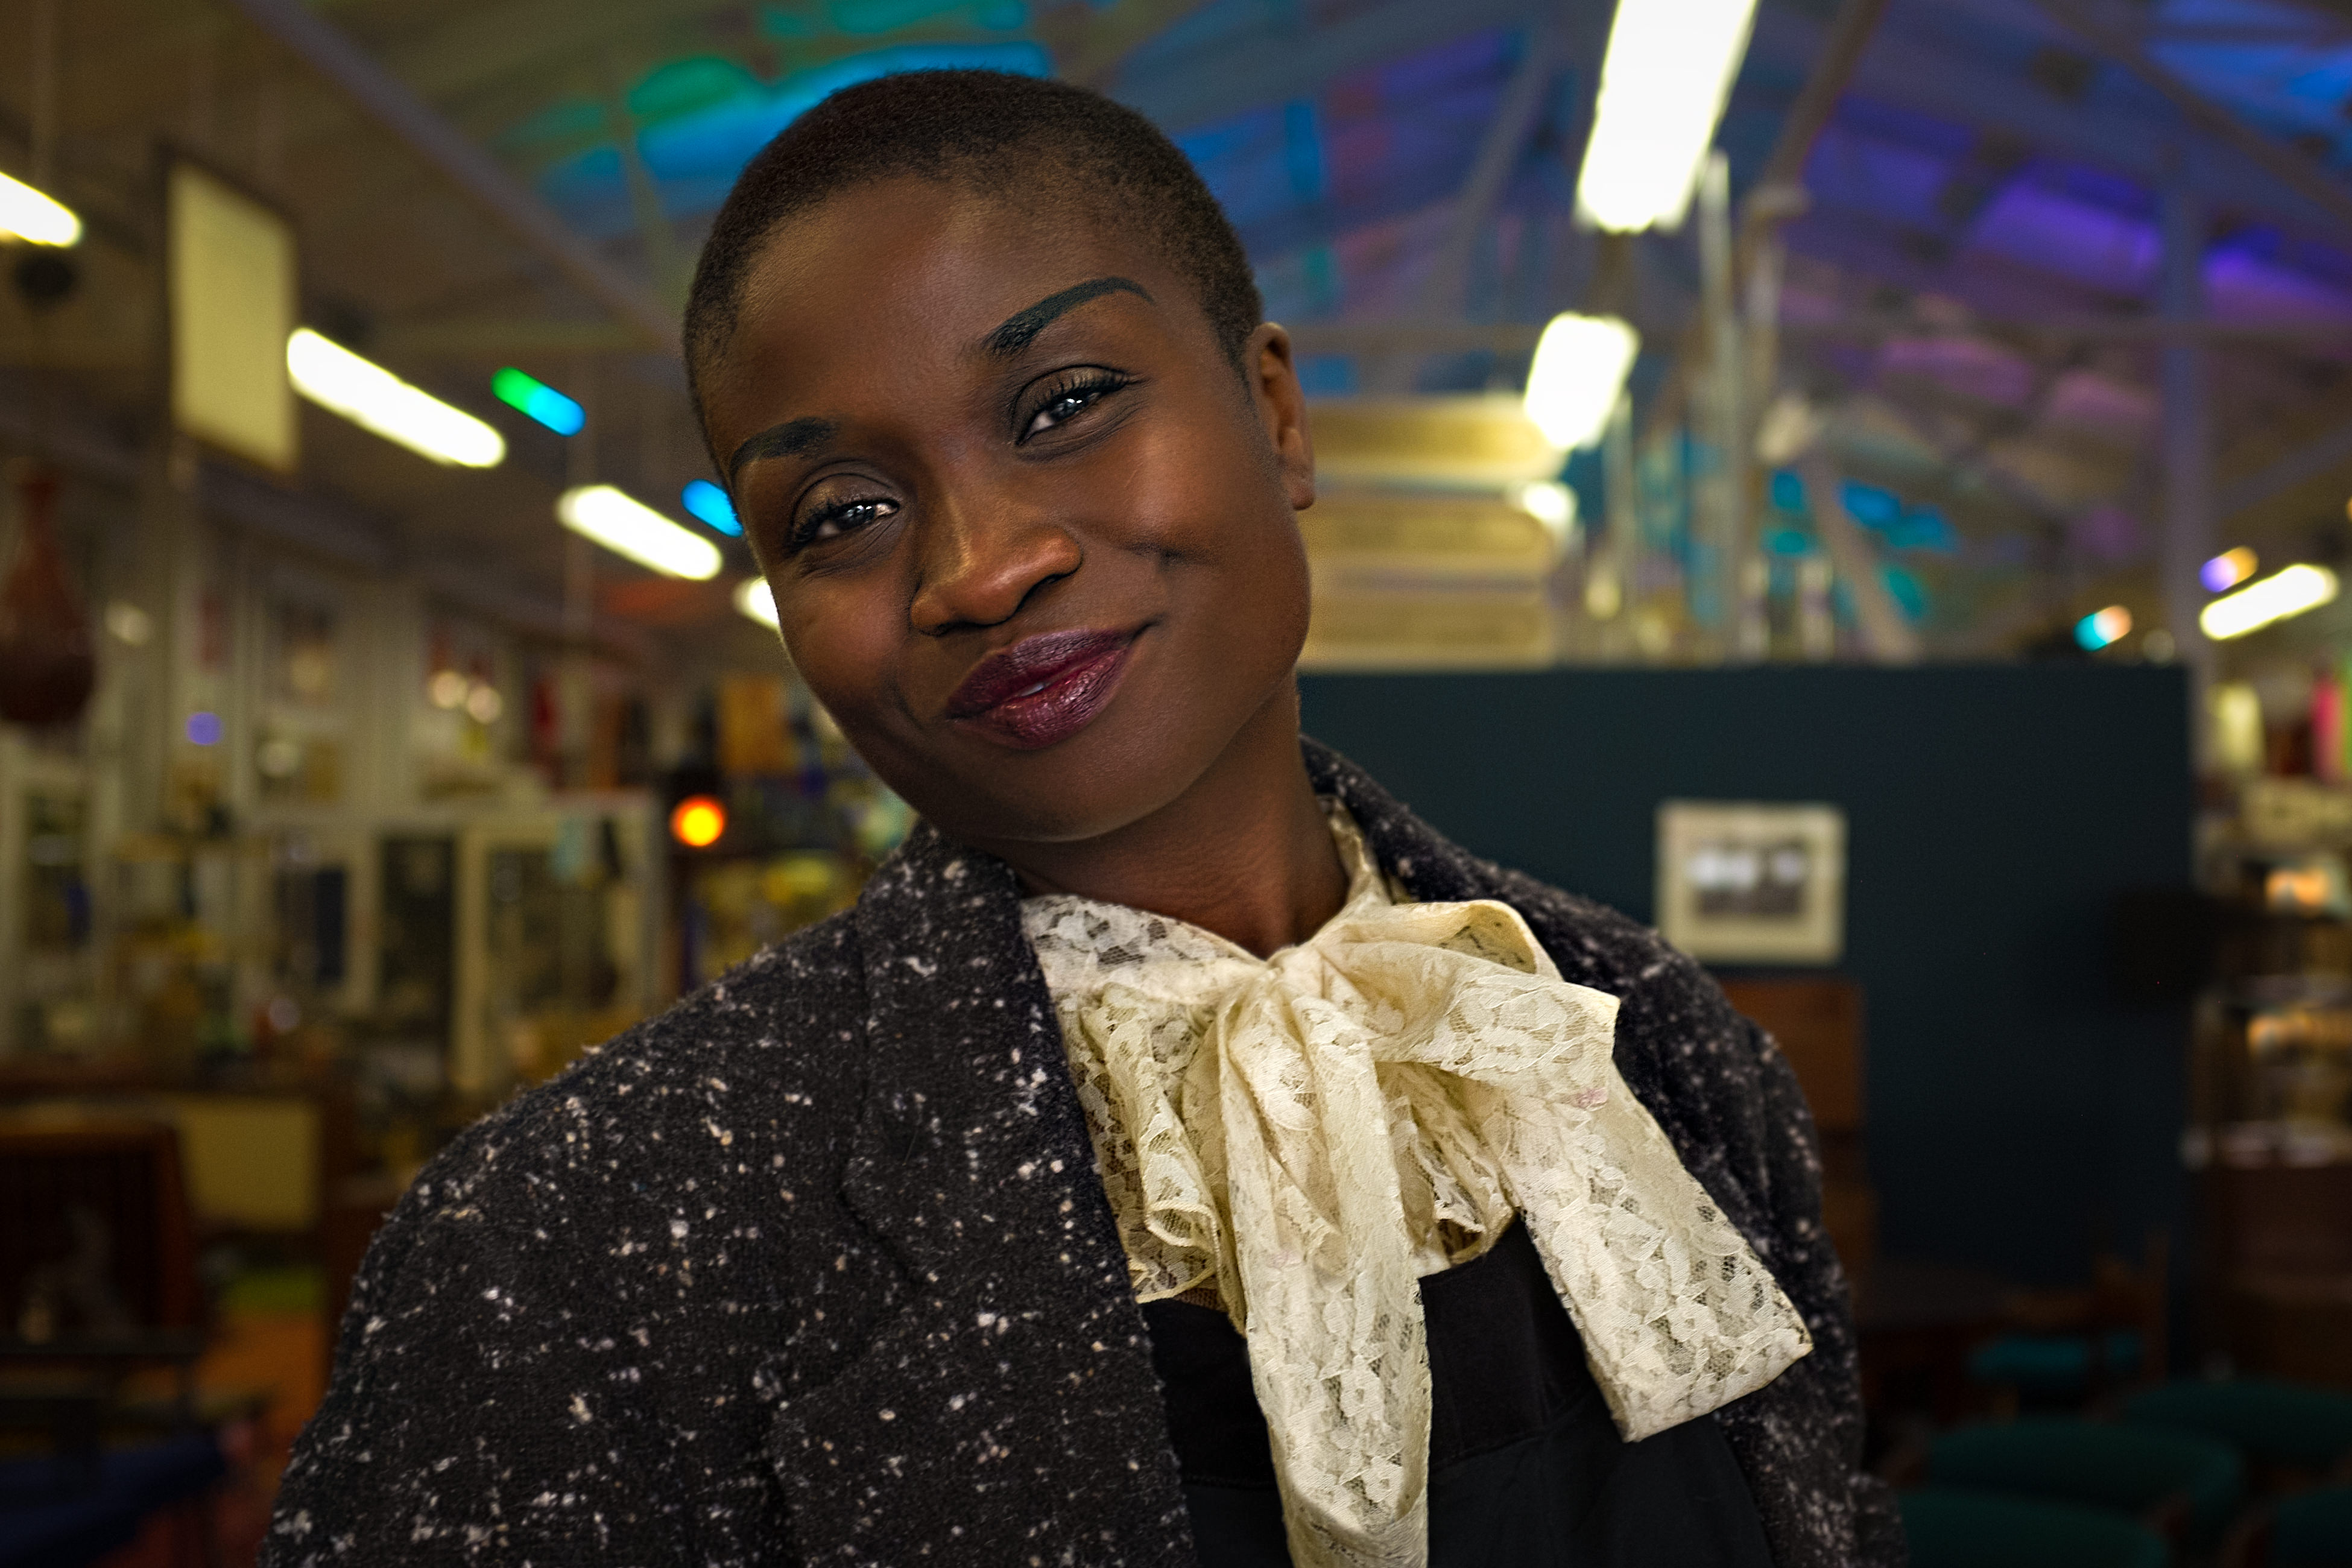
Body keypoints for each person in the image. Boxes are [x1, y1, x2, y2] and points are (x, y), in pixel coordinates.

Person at [265, 70, 1902, 1568]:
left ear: (1274, 414)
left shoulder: (1658, 1048)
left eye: (1060, 405)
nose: (978, 565)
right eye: (840, 514)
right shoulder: (572, 1246)